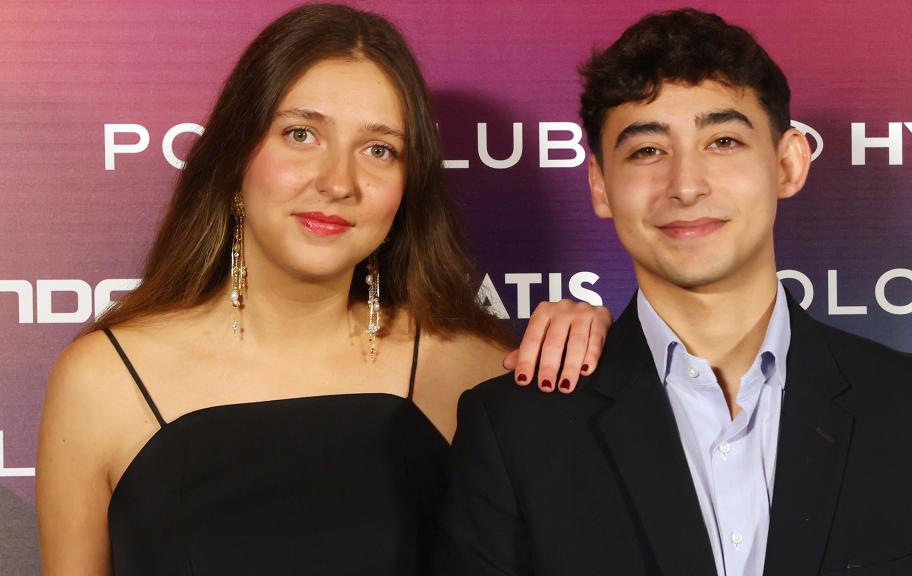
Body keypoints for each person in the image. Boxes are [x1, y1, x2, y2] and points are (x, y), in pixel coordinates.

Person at [435, 7, 912, 576]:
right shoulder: (515, 432)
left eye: (723, 142)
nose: (685, 185)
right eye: (646, 150)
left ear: (789, 163)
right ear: (600, 186)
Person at [34, 4, 612, 575]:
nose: (338, 182)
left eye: (378, 149)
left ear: (407, 188)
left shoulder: (470, 370)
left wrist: (610, 355)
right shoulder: (102, 381)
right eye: (301, 134)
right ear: (236, 155)